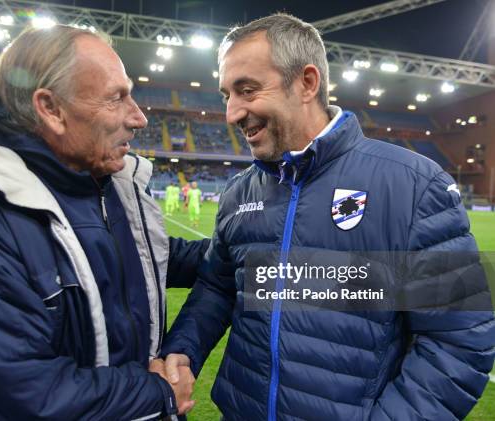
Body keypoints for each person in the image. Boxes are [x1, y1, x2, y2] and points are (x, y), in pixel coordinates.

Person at [159, 13, 495, 420]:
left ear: (307, 82)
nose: (231, 113)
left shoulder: (412, 186)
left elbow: (459, 342)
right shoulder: (239, 192)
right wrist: (183, 347)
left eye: (247, 90)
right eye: (226, 94)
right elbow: (219, 285)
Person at [0, 26, 209, 420]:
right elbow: (21, 396)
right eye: (116, 98)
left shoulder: (99, 182)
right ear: (50, 109)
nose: (138, 118)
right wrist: (156, 392)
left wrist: (253, 249)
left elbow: (150, 257)